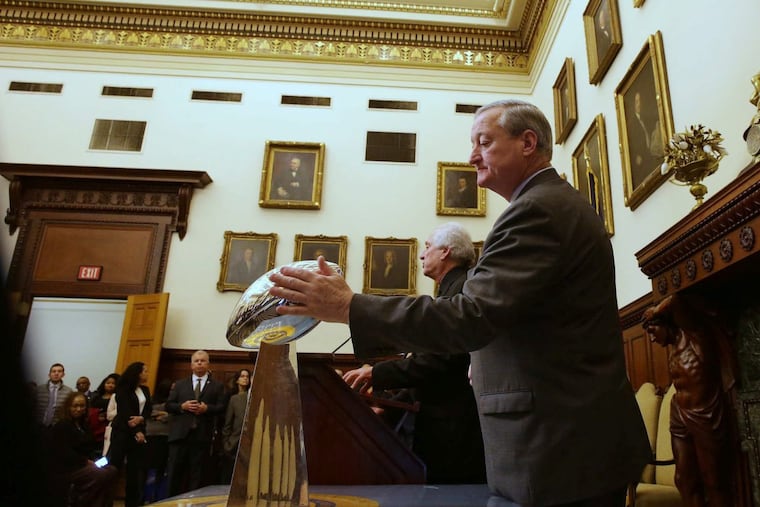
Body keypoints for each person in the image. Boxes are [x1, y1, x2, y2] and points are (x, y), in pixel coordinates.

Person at [269, 99, 651, 506]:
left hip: (559, 445)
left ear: (527, 142)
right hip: (562, 441)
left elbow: (471, 315)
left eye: (484, 142)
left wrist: (351, 307)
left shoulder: (537, 210)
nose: (471, 156)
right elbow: (526, 321)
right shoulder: (545, 205)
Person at [343, 222, 486, 484]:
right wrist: (391, 407)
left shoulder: (463, 289)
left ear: (446, 252)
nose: (421, 254)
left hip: (454, 431)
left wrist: (376, 372)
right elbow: (425, 363)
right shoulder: (450, 289)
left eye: (428, 247)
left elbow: (441, 363)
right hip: (442, 426)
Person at [642, 294, 735, 507]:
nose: (652, 339)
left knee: (714, 481)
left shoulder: (694, 335)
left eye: (652, 331)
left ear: (665, 323)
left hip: (704, 413)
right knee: (683, 479)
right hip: (680, 412)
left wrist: (655, 311)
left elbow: (676, 300)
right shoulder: (674, 349)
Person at [165, 349, 225, 496]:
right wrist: (182, 406)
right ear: (191, 365)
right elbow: (168, 405)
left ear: (208, 364)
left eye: (202, 360)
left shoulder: (217, 386)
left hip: (202, 436)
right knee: (174, 473)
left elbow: (222, 407)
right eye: (196, 361)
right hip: (180, 436)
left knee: (197, 475)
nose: (199, 363)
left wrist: (207, 408)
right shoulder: (179, 384)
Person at [49, 391, 118, 507]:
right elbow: (64, 453)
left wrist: (97, 460)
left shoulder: (84, 425)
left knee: (112, 471)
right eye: (75, 406)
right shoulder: (62, 425)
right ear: (68, 407)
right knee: (100, 474)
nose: (79, 409)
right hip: (68, 467)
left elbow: (90, 446)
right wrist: (86, 462)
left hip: (84, 463)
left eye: (82, 406)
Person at [107, 362, 152, 507]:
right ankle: (106, 501)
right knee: (115, 468)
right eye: (144, 371)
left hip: (138, 433)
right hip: (122, 432)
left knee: (134, 471)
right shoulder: (123, 389)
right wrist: (136, 430)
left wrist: (142, 418)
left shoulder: (145, 389)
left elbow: (148, 409)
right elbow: (125, 412)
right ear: (137, 373)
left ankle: (131, 503)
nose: (146, 373)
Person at [220, 368, 252, 484]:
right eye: (242, 376)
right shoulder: (233, 398)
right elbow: (227, 423)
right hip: (233, 442)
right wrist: (226, 443)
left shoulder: (252, 397)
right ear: (237, 380)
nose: (245, 379)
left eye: (247, 376)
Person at [144, 378, 173, 503]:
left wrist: (166, 416)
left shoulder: (174, 402)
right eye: (171, 389)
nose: (173, 391)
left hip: (166, 437)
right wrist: (160, 414)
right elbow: (146, 413)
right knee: (150, 468)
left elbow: (175, 415)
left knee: (163, 468)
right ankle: (148, 496)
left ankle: (159, 497)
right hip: (151, 437)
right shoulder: (151, 400)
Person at [89, 373, 120, 457]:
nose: (110, 385)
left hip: (107, 427)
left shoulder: (117, 398)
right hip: (93, 426)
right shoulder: (96, 396)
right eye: (108, 383)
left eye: (113, 383)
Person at [36, 362, 73, 427]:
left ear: (63, 375)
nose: (56, 373)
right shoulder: (39, 390)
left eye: (59, 371)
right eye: (53, 371)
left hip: (57, 427)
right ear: (49, 374)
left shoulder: (69, 392)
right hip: (38, 426)